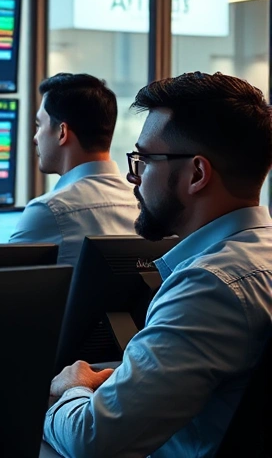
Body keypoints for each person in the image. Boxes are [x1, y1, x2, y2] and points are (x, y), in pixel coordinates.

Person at [44, 72, 272, 457]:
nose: (134, 178)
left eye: (145, 160)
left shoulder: (209, 286)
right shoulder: (258, 258)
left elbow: (91, 440)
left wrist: (72, 388)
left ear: (197, 174)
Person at [10, 73, 138, 266]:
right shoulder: (142, 201)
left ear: (62, 132)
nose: (35, 138)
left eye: (39, 125)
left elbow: (2, 289)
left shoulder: (49, 211)